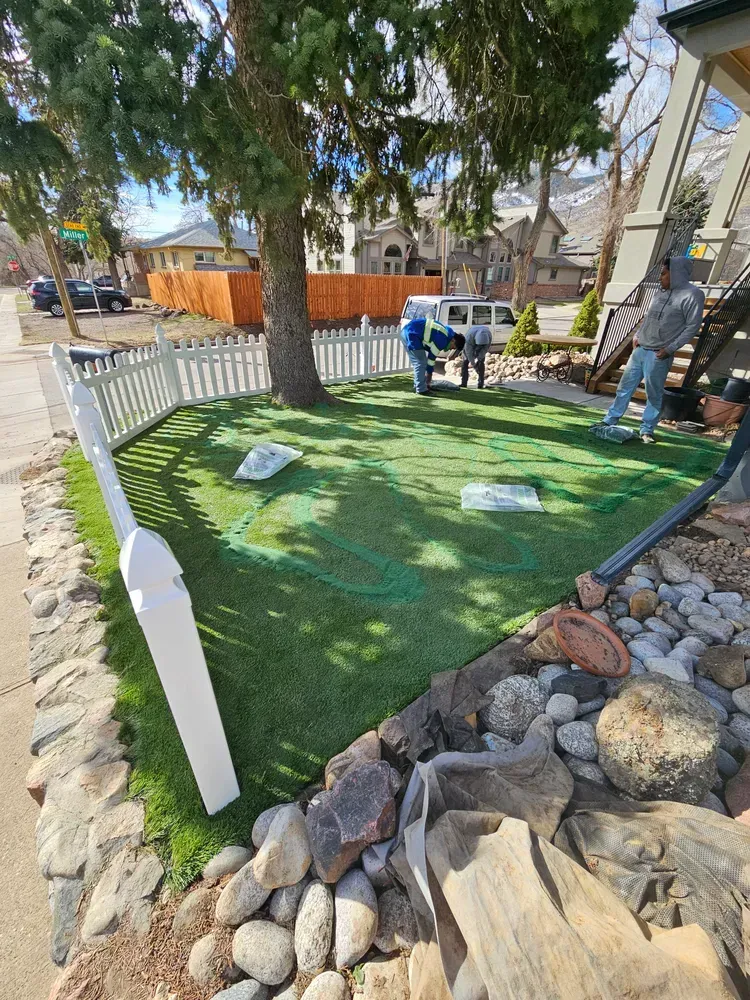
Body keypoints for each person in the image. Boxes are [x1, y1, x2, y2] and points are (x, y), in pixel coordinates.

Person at [594, 256, 705, 443]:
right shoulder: (660, 292)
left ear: (676, 273)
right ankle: (609, 420)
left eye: (663, 273)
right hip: (640, 349)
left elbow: (692, 326)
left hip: (659, 355)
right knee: (624, 388)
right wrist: (637, 335)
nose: (660, 277)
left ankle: (647, 430)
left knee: (653, 394)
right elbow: (648, 317)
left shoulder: (692, 295)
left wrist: (670, 349)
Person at [400, 315, 464, 395]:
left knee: (419, 363)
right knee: (420, 363)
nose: (451, 349)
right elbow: (431, 358)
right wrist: (429, 378)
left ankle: (418, 385)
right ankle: (421, 389)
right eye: (454, 347)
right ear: (453, 340)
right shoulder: (443, 340)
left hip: (406, 332)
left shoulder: (445, 332)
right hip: (412, 335)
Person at [461, 324, 493, 388]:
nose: (479, 348)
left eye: (481, 346)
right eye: (479, 346)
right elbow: (469, 354)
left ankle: (481, 383)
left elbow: (485, 350)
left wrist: (479, 358)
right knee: (465, 362)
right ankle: (463, 383)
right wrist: (474, 365)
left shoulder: (489, 337)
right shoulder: (469, 338)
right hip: (471, 343)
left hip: (481, 343)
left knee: (481, 362)